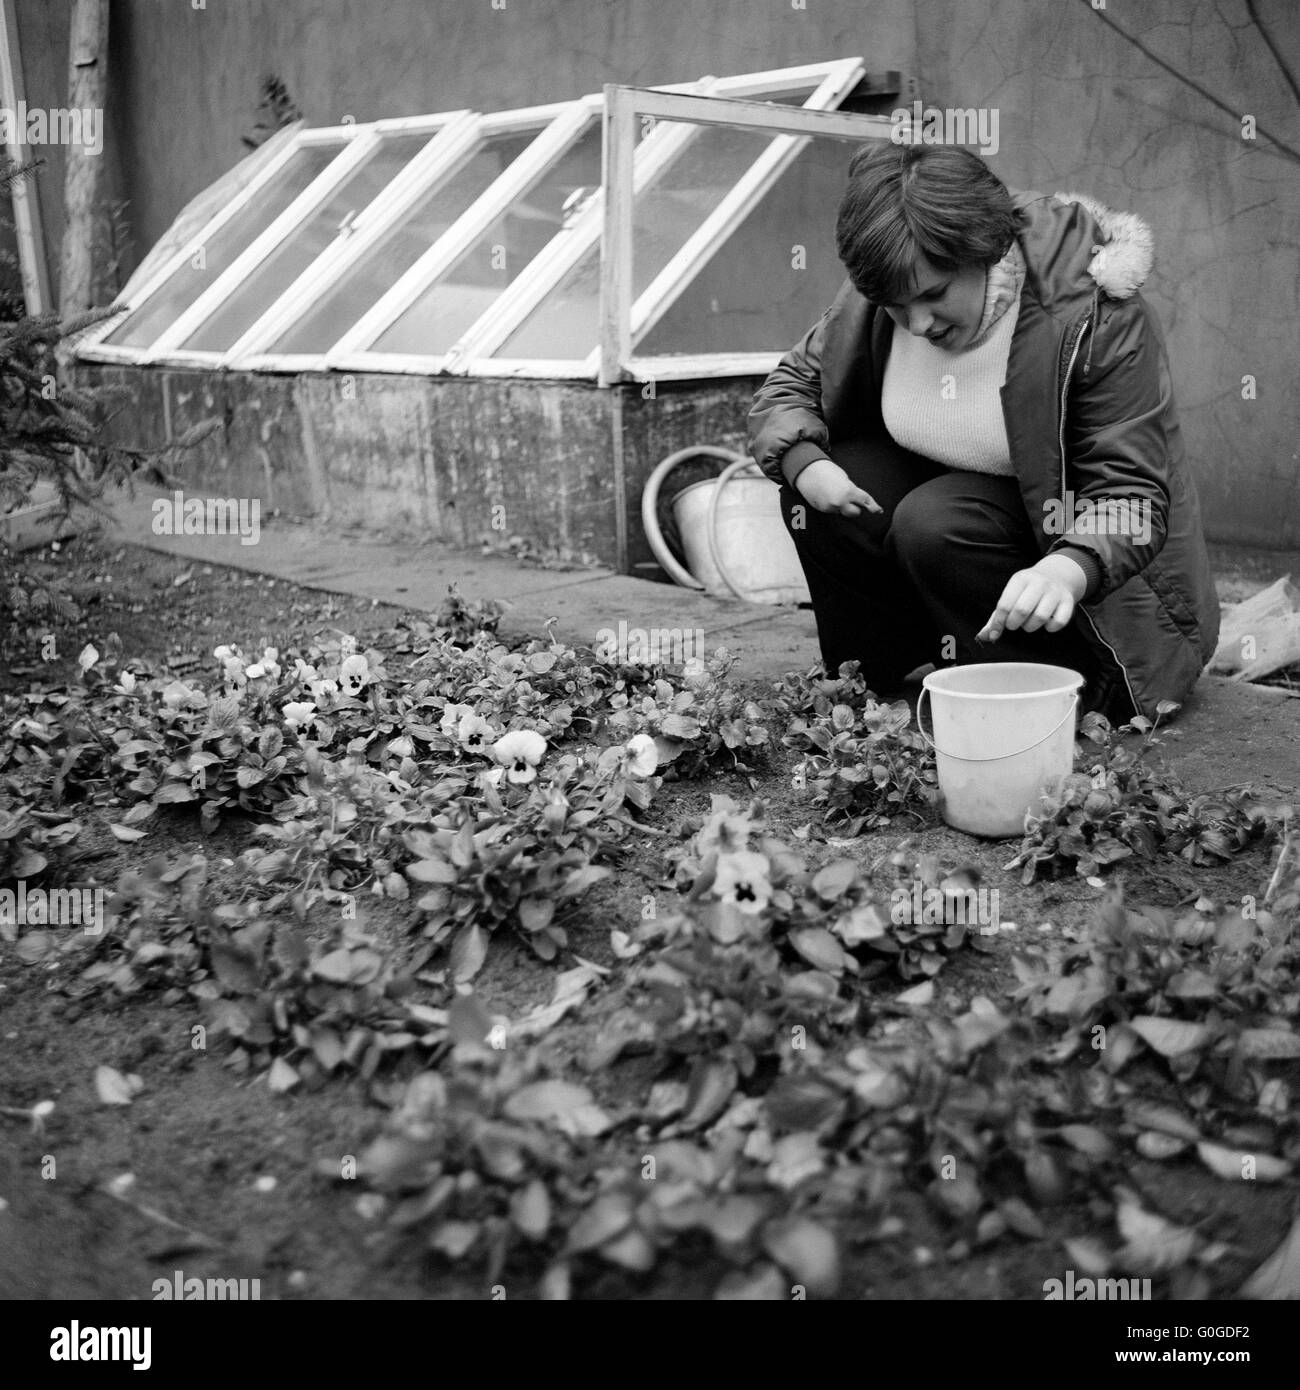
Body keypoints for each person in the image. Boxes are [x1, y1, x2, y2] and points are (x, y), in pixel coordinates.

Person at [747, 142, 1219, 722]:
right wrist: (807, 465)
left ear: (985, 251)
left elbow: (1133, 498)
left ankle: (1051, 694)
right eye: (897, 307)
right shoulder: (888, 282)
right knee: (826, 481)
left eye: (934, 296)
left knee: (936, 522)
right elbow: (790, 385)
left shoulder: (1093, 313)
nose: (917, 324)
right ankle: (875, 680)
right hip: (969, 513)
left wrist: (1068, 568)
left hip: (1101, 591)